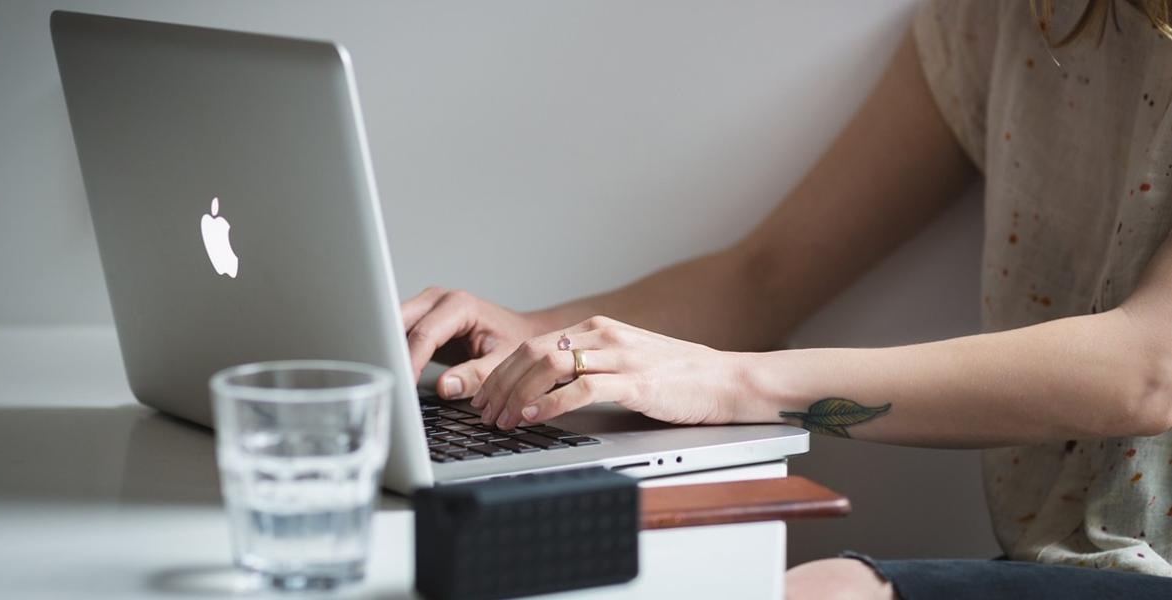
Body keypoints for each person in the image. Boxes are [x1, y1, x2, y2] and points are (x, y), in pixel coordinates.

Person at [400, 1, 1172, 597]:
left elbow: (1149, 369)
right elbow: (765, 274)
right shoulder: (994, 17)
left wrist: (733, 381)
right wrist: (537, 337)